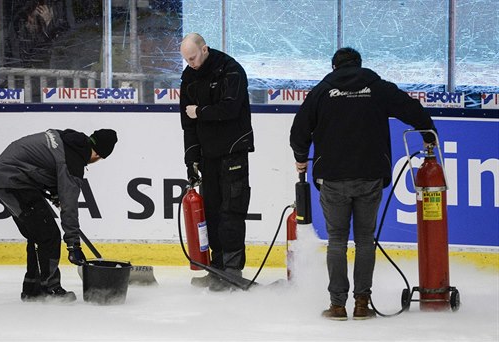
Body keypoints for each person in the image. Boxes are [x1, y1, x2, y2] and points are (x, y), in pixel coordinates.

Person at [290, 47, 436, 320]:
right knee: (365, 240)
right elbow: (411, 108)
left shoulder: (323, 90)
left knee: (337, 241)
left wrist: (301, 158)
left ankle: (337, 305)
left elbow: (299, 130)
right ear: (359, 64)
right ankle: (361, 304)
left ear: (335, 67)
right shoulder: (377, 87)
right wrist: (429, 134)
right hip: (370, 175)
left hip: (333, 178)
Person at [0, 128, 118, 302]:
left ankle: (33, 289)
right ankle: (49, 289)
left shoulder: (69, 140)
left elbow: (43, 164)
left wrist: (56, 191)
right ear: (98, 155)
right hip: (12, 181)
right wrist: (74, 246)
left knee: (38, 234)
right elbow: (69, 208)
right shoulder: (73, 162)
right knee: (48, 235)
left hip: (12, 177)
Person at [179, 33, 254, 291]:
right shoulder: (189, 77)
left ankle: (232, 271)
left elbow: (230, 109)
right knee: (210, 212)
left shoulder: (231, 71)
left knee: (231, 212)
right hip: (208, 155)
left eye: (193, 57)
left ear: (205, 49)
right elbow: (187, 125)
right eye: (186, 59)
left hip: (233, 151)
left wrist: (200, 111)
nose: (190, 63)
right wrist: (192, 159)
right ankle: (216, 269)